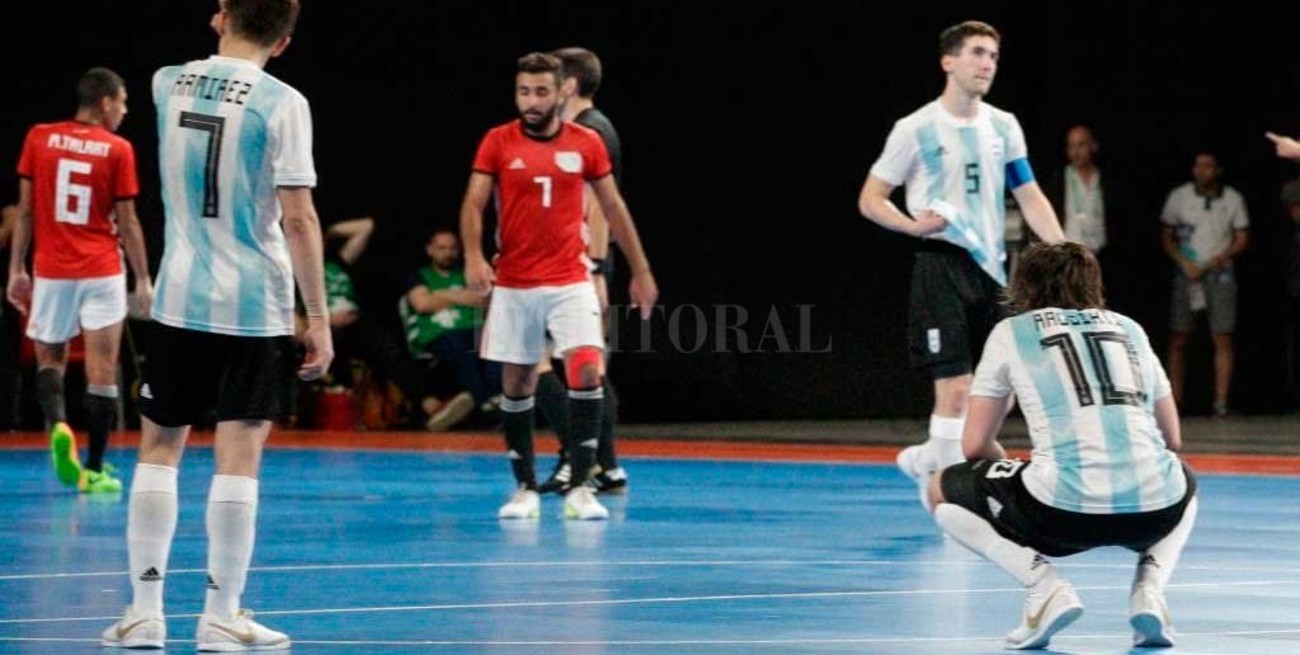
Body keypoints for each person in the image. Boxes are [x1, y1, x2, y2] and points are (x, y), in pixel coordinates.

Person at [101, 1, 330, 650]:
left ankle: (144, 611)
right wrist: (317, 317)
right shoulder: (283, 101)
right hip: (253, 305)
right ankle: (220, 616)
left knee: (159, 446)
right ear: (284, 41)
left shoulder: (164, 81)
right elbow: (300, 219)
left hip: (178, 297)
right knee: (239, 455)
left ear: (219, 14)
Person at [925, 242, 1197, 650]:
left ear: (1026, 288)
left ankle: (1044, 586)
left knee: (939, 487)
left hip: (1060, 513)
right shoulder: (1130, 329)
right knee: (1182, 478)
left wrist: (1016, 470)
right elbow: (1172, 439)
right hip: (1155, 512)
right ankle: (1150, 590)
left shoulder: (1011, 332)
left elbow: (974, 446)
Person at [857, 20, 1063, 507]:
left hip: (992, 268)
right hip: (940, 262)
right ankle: (948, 497)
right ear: (948, 61)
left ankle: (931, 456)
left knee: (1002, 391)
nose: (987, 63)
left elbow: (1028, 193)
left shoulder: (1003, 125)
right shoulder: (916, 128)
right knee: (956, 386)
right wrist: (909, 225)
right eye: (976, 52)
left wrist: (1063, 252)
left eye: (993, 54)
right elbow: (871, 198)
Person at [460, 52, 657, 521]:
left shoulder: (588, 142)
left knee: (587, 370)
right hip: (515, 282)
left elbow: (614, 208)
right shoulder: (497, 141)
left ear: (561, 92)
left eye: (541, 92)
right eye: (523, 91)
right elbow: (473, 203)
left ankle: (583, 486)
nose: (531, 100)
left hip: (571, 278)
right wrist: (471, 254)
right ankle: (525, 488)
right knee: (518, 380)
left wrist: (641, 270)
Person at [6, 67, 152, 493]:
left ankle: (58, 425)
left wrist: (16, 270)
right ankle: (94, 468)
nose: (124, 112)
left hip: (52, 269)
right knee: (102, 373)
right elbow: (128, 220)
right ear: (105, 102)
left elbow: (26, 211)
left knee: (49, 358)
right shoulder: (118, 149)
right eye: (123, 103)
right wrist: (143, 279)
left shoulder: (39, 137)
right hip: (103, 269)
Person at [534, 46, 628, 495]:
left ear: (568, 86)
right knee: (587, 367)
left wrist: (593, 270)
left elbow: (598, 208)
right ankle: (605, 466)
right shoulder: (587, 129)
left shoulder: (589, 132)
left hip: (573, 268)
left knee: (540, 365)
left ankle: (579, 458)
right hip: (572, 265)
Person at [312, 217, 446, 429]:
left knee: (388, 347)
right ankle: (345, 408)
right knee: (337, 343)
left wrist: (326, 231)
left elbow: (367, 226)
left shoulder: (338, 262)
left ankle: (425, 404)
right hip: (324, 329)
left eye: (319, 239)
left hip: (356, 323)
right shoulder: (292, 270)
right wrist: (325, 321)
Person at [1159, 151, 1249, 416]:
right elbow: (1166, 235)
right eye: (1198, 165)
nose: (1202, 171)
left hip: (1219, 273)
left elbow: (1241, 236)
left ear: (1217, 170)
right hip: (1187, 273)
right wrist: (1182, 261)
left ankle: (1220, 402)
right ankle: (1174, 399)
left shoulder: (1232, 198)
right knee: (1178, 336)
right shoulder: (1179, 196)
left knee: (1222, 336)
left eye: (1208, 166)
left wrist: (1220, 258)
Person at [398, 228, 498, 429]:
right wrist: (461, 295)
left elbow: (483, 298)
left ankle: (492, 402)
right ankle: (482, 404)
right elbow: (422, 304)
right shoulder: (419, 276)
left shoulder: (467, 273)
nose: (448, 253)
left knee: (494, 345)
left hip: (474, 329)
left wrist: (441, 295)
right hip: (437, 334)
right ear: (430, 250)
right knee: (461, 349)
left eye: (452, 248)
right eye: (442, 248)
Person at [1046, 125, 1108, 254]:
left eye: (1081, 145)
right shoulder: (1058, 180)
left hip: (1099, 253)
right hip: (1068, 254)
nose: (1075, 152)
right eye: (1071, 146)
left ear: (1093, 146)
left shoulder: (1105, 180)